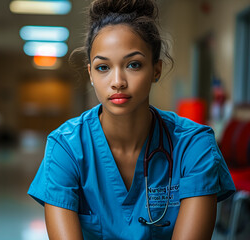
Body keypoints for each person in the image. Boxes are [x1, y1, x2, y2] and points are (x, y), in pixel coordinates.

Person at [28, 0, 236, 239]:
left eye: (133, 64)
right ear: (91, 74)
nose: (117, 81)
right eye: (103, 67)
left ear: (156, 69)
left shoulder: (193, 145)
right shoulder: (66, 147)